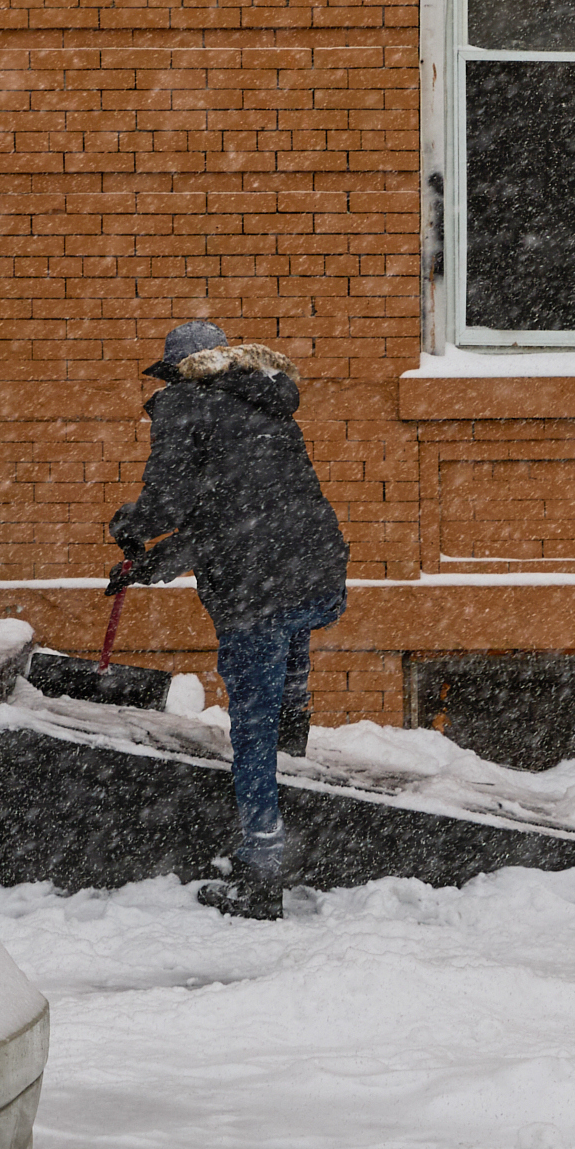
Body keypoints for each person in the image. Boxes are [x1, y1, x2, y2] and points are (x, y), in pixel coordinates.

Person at [110, 319, 350, 920]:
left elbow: (174, 505)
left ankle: (261, 869)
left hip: (256, 587)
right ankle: (295, 706)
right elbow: (232, 514)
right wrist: (150, 565)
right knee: (292, 630)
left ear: (178, 372)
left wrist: (132, 528)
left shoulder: (184, 404)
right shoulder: (266, 400)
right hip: (314, 562)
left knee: (250, 726)